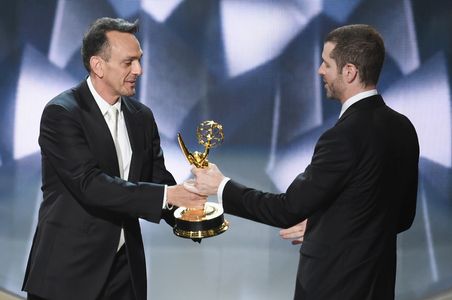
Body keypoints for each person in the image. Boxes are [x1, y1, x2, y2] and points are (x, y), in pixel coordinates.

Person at [188, 24, 419, 300]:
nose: (320, 70)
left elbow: (287, 210)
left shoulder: (342, 137)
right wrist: (327, 222)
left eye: (326, 63)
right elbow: (400, 216)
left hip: (332, 288)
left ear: (349, 72)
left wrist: (221, 185)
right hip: (378, 286)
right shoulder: (403, 127)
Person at [22, 17, 206, 300]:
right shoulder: (62, 113)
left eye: (140, 60)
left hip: (124, 272)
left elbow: (157, 179)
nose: (139, 70)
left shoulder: (141, 117)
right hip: (69, 273)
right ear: (98, 66)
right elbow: (90, 184)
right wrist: (170, 195)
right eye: (128, 62)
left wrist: (191, 215)